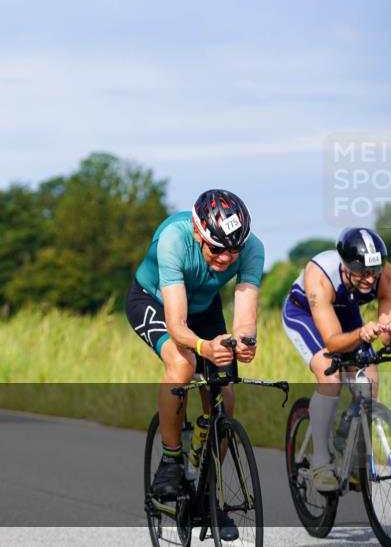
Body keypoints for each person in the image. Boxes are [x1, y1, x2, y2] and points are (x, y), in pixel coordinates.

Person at [126, 189, 264, 541]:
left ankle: (206, 485)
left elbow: (246, 317)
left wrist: (244, 342)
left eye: (233, 250)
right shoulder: (173, 239)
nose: (225, 258)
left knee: (226, 389)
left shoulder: (252, 249)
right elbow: (176, 325)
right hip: (154, 301)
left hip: (204, 308)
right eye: (216, 249)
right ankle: (172, 461)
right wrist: (205, 346)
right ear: (199, 231)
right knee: (182, 361)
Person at [282, 227, 391, 491]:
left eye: (373, 272)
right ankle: (320, 460)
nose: (369, 279)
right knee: (329, 374)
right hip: (305, 314)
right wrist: (362, 333)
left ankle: (350, 444)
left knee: (370, 379)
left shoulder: (384, 275)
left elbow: (386, 336)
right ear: (345, 265)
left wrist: (387, 329)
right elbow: (332, 341)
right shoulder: (320, 275)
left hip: (346, 312)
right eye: (362, 272)